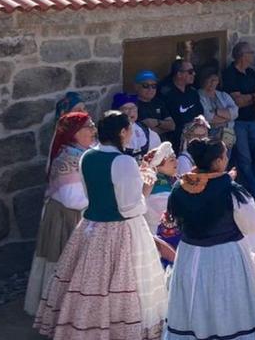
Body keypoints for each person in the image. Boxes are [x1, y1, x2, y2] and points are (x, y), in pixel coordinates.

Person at [34, 111, 167, 339]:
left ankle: (86, 325)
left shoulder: (87, 156)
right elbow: (130, 208)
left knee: (90, 281)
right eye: (129, 130)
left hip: (91, 227)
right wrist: (145, 186)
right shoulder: (123, 161)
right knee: (123, 282)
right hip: (121, 230)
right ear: (122, 132)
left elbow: (90, 194)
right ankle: (118, 329)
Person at [165, 138, 255, 340]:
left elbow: (176, 219)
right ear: (217, 162)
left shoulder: (179, 187)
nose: (227, 159)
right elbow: (254, 225)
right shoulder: (230, 190)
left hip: (190, 256)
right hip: (226, 256)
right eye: (224, 156)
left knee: (196, 301)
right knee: (226, 301)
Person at [24, 112, 95, 316]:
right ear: (74, 134)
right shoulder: (68, 159)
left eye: (92, 126)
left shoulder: (83, 152)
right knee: (65, 266)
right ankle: (62, 314)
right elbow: (72, 199)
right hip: (66, 219)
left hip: (79, 215)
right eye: (88, 127)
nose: (93, 130)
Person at [222, 42, 255, 210]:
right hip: (238, 122)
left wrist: (248, 97)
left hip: (252, 120)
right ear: (242, 55)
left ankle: (253, 190)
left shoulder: (250, 72)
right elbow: (237, 101)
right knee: (244, 159)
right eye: (250, 52)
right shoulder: (230, 74)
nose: (253, 55)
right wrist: (252, 97)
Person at [161, 58, 204, 152]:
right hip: (175, 142)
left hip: (195, 139)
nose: (194, 74)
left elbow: (200, 114)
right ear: (179, 74)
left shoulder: (193, 92)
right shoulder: (165, 94)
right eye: (190, 72)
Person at [196, 68, 238, 150]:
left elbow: (235, 113)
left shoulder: (223, 95)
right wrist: (227, 118)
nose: (212, 83)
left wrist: (217, 111)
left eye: (214, 80)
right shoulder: (198, 96)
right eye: (209, 80)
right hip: (209, 135)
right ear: (204, 80)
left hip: (227, 134)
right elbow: (207, 117)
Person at [113, 92, 162, 161]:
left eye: (133, 108)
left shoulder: (146, 131)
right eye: (125, 108)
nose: (130, 112)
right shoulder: (112, 132)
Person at [140, 141, 177, 229]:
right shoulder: (154, 186)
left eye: (175, 158)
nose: (176, 162)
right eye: (171, 160)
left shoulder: (171, 180)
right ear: (157, 167)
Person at [135, 70, 176, 138]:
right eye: (145, 85)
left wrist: (157, 122)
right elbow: (135, 132)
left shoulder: (158, 102)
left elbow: (172, 126)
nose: (150, 89)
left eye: (154, 86)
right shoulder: (132, 104)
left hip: (162, 145)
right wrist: (164, 127)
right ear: (136, 87)